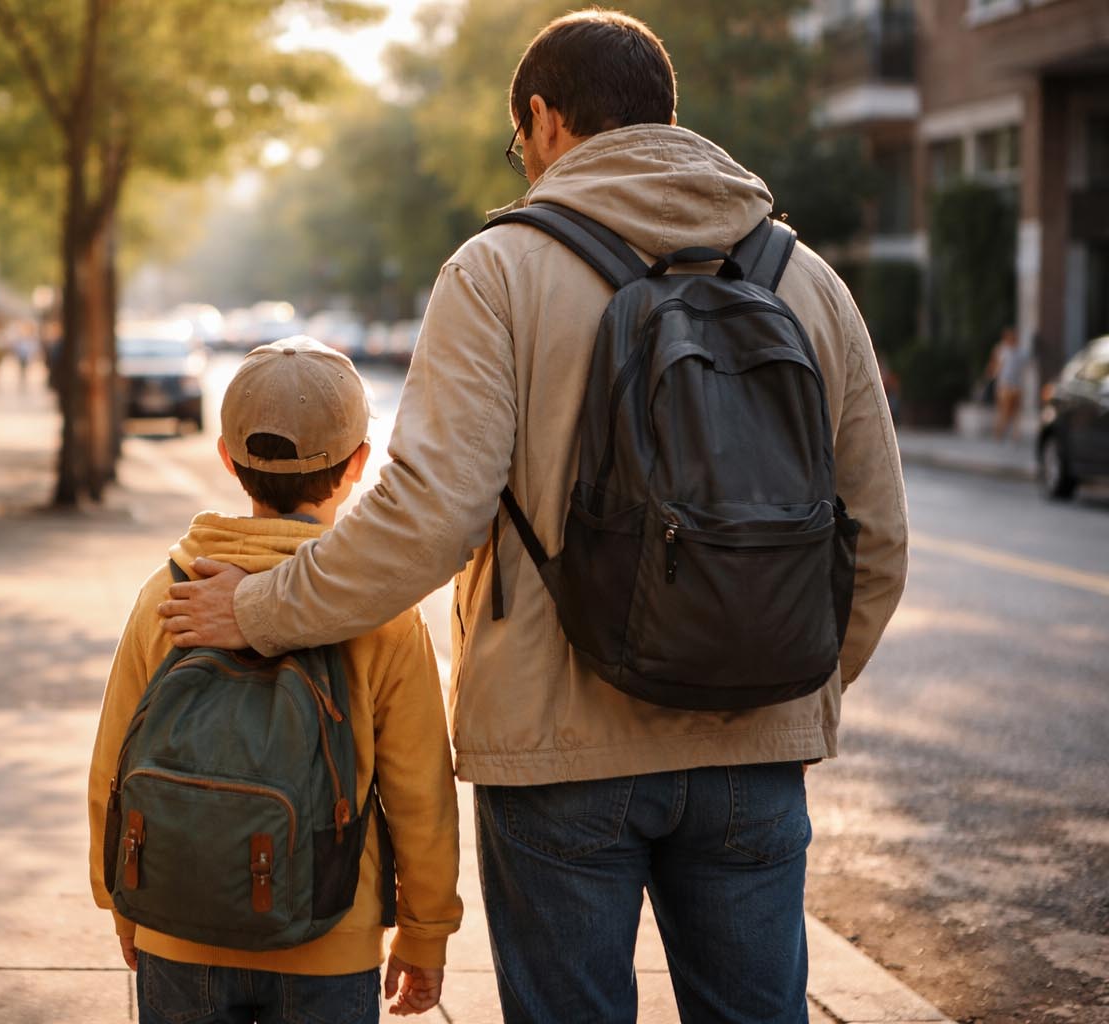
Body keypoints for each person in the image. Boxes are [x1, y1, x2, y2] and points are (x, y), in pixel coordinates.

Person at [157, 10, 909, 1024]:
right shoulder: (808, 279)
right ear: (663, 116)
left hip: (561, 755)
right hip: (755, 748)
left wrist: (260, 608)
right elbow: (877, 533)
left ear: (544, 119)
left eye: (519, 142)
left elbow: (427, 516)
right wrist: (782, 679)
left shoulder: (499, 271)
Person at [87, 338, 462, 1023]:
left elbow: (112, 763)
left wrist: (119, 899)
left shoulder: (169, 595)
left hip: (178, 921)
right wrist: (424, 931)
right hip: (332, 933)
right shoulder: (381, 616)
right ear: (359, 463)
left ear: (227, 460)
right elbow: (420, 796)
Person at [988, 326, 1027, 441]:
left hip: (1017, 385)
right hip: (1004, 385)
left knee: (1016, 412)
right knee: (1003, 412)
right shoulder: (1001, 350)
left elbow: (1024, 366)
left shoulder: (1021, 352)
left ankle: (1015, 435)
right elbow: (995, 366)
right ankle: (999, 433)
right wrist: (993, 375)